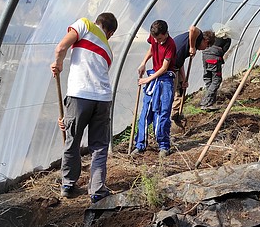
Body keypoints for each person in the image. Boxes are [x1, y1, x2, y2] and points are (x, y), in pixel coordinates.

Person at [50, 12, 118, 201]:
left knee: (72, 140)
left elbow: (60, 47)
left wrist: (58, 63)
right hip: (103, 99)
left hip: (80, 96)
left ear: (98, 22)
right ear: (110, 32)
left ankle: (68, 184)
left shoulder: (85, 24)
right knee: (99, 146)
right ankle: (97, 190)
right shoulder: (109, 52)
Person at [131, 20, 177, 157]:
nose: (156, 41)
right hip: (153, 77)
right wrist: (143, 63)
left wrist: (147, 80)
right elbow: (151, 49)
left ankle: (163, 146)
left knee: (162, 113)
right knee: (145, 113)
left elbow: (164, 68)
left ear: (166, 33)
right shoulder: (154, 38)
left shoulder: (171, 45)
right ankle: (140, 145)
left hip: (166, 80)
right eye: (155, 38)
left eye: (159, 38)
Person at [171, 26, 215, 125]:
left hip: (176, 66)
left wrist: (184, 78)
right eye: (207, 46)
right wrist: (192, 46)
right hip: (169, 68)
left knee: (181, 88)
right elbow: (192, 28)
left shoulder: (191, 41)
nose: (204, 49)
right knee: (171, 93)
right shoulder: (197, 37)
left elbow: (180, 61)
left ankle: (176, 114)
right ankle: (167, 117)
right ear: (205, 41)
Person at [200, 36, 231, 109]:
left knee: (208, 79)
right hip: (214, 58)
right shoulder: (227, 39)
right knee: (216, 80)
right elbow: (223, 51)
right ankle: (205, 102)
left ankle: (210, 103)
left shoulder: (214, 35)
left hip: (205, 55)